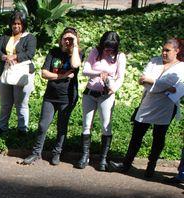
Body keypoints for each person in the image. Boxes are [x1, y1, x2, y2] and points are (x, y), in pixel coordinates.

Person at [111, 38, 184, 178]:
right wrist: (164, 86)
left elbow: (170, 82)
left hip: (165, 106)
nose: (163, 53)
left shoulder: (181, 67)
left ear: (177, 51)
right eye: (163, 49)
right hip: (148, 103)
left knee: (158, 137)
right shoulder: (154, 60)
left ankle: (151, 167)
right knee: (136, 135)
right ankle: (126, 164)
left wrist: (153, 82)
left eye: (167, 50)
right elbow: (143, 80)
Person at [21, 27, 82, 166]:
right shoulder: (53, 52)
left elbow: (75, 64)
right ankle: (36, 153)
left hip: (67, 97)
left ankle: (56, 153)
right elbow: (44, 73)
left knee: (62, 126)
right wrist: (63, 76)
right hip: (50, 96)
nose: (67, 41)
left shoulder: (77, 54)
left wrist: (75, 46)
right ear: (60, 39)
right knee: (43, 125)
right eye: (65, 38)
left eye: (70, 39)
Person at [76, 31, 126, 170]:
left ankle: (103, 159)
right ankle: (85, 156)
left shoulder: (120, 56)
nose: (108, 50)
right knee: (87, 124)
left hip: (106, 95)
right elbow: (85, 70)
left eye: (112, 48)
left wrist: (113, 87)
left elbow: (120, 77)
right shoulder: (95, 52)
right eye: (106, 47)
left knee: (105, 126)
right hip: (90, 92)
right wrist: (99, 73)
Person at [0, 11, 36, 134]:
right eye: (14, 23)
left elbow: (30, 53)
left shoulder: (30, 37)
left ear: (23, 24)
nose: (16, 26)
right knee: (5, 103)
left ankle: (22, 129)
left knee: (21, 103)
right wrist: (3, 57)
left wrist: (14, 57)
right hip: (5, 72)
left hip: (21, 73)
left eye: (19, 23)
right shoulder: (5, 36)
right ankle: (2, 127)